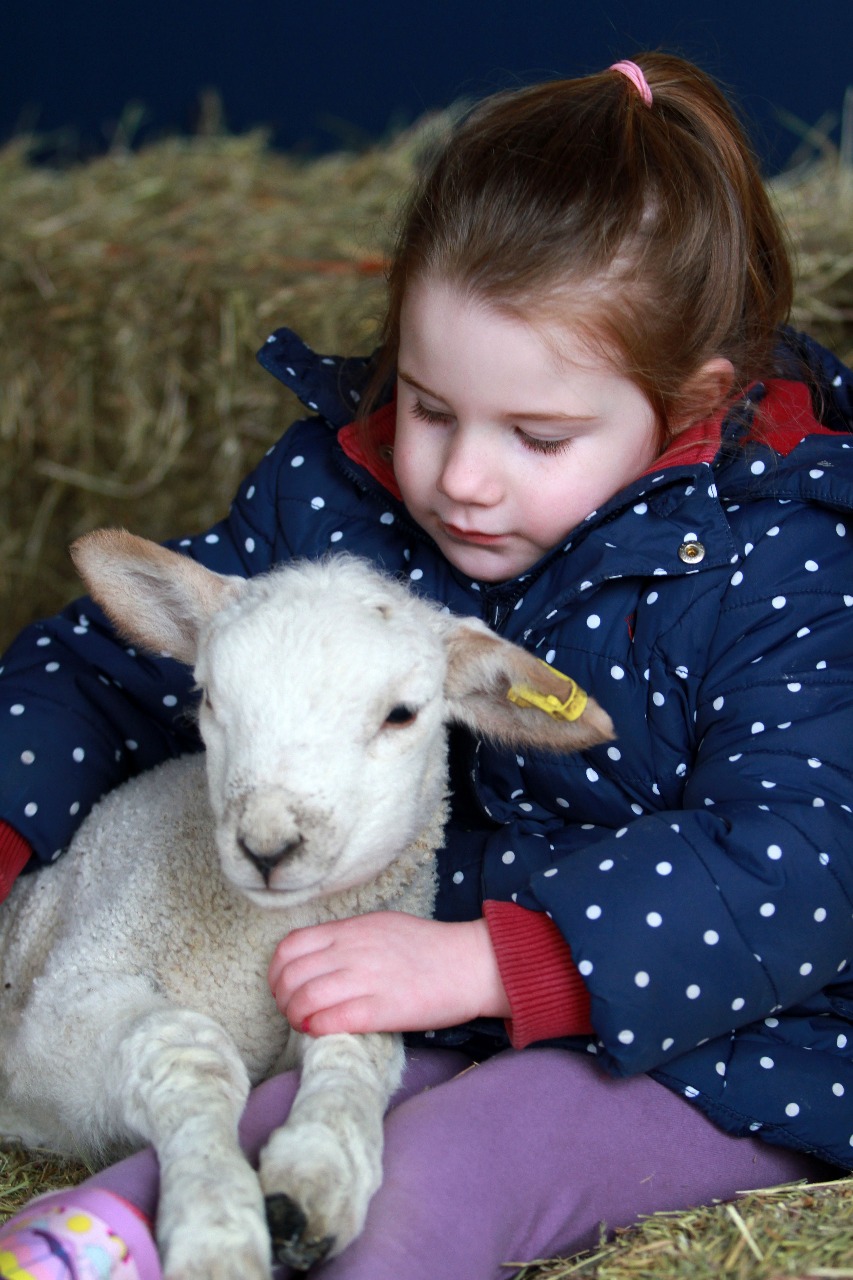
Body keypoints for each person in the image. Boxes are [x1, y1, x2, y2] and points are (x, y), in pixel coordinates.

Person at [0, 51, 851, 1280]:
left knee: (441, 1179)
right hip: (400, 983)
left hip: (707, 1032)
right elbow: (101, 666)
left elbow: (808, 863)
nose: (459, 475)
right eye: (427, 404)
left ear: (685, 404)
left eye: (536, 434)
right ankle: (100, 1246)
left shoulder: (778, 565)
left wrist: (490, 960)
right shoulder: (337, 494)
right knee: (213, 1137)